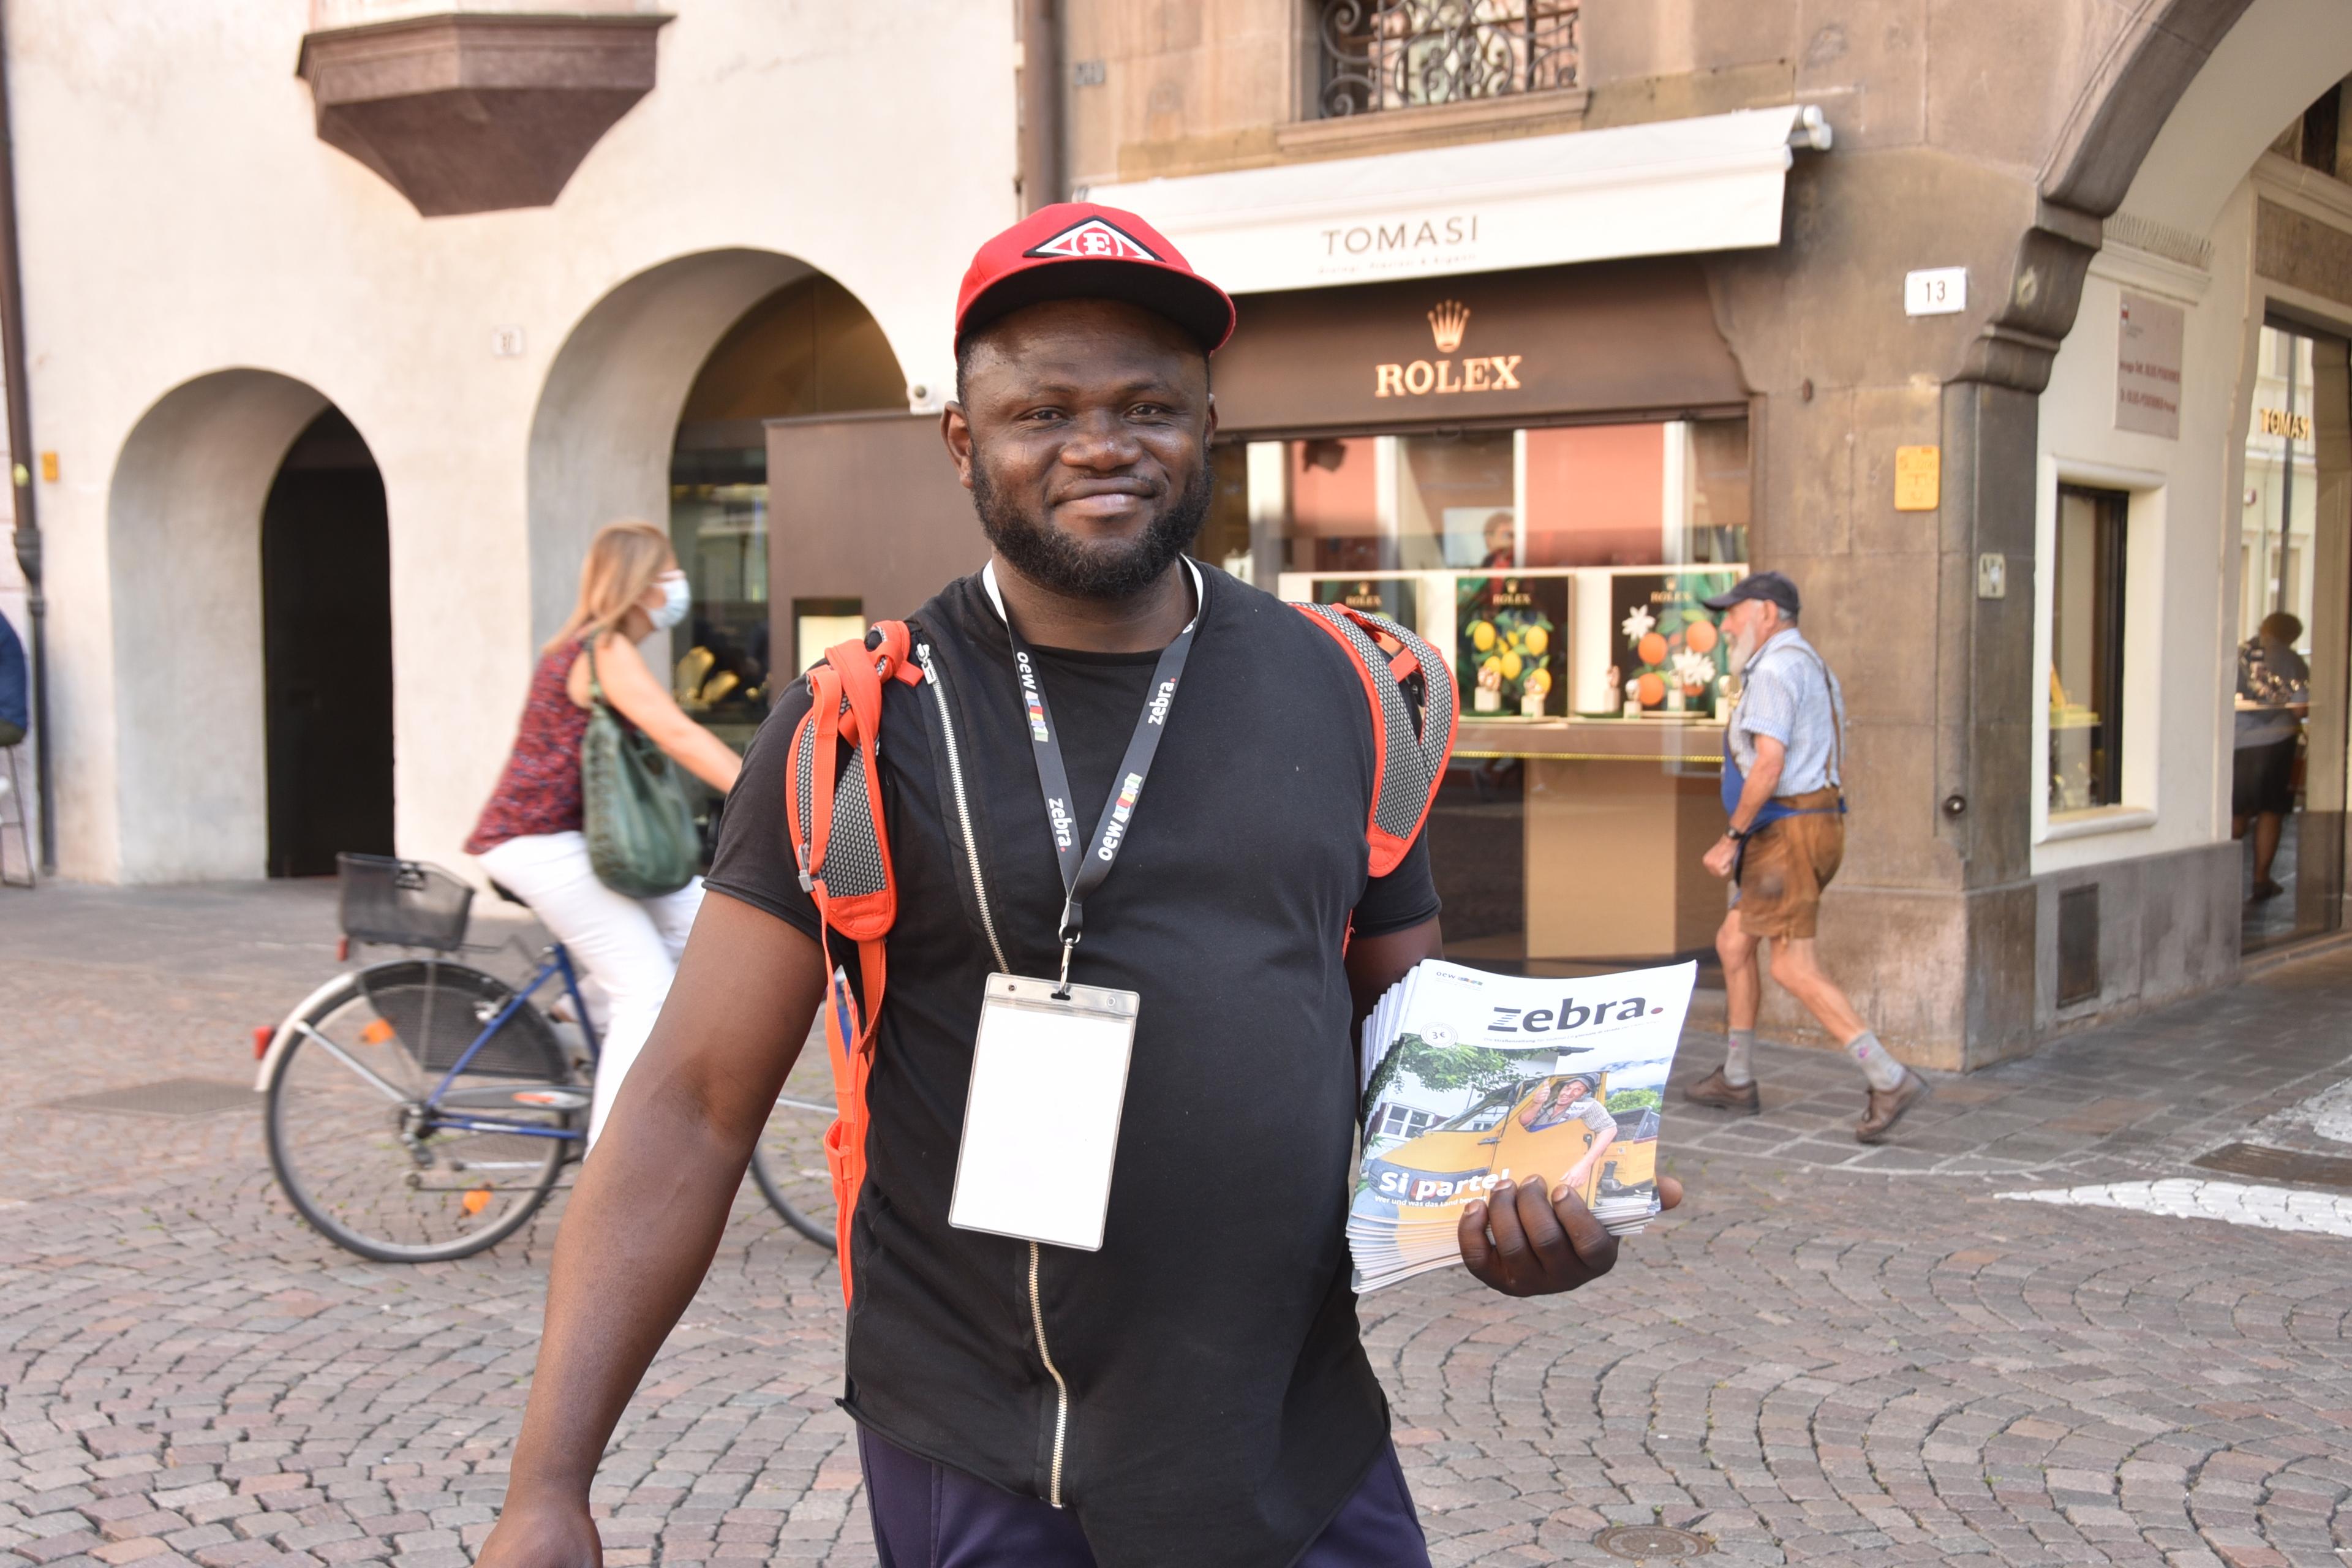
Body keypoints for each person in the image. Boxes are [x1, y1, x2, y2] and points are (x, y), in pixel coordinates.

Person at [473, 203, 1680, 1568]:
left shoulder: (1352, 687)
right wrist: (550, 1482)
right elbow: (690, 1106)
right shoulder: (864, 722)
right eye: (1043, 410)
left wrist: (1527, 1198)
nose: (1102, 444)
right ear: (962, 441)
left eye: (1148, 404)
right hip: (998, 1452)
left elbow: (1412, 1053)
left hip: (1298, 1422)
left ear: (1207, 424)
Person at [462, 519, 742, 1147]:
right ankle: (612, 1166)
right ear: (642, 584)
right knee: (643, 988)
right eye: (668, 571)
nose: (678, 584)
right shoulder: (603, 649)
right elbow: (679, 735)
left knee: (702, 924)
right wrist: (780, 796)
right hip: (536, 841)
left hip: (571, 840)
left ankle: (568, 1019)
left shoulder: (597, 648)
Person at [1683, 571, 1928, 1144]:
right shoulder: (1809, 662)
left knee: (1794, 965)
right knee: (1734, 943)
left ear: (1767, 612)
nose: (1724, 625)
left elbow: (1769, 764)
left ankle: (1887, 1076)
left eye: (1733, 612)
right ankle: (1738, 1077)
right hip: (1809, 825)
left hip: (1785, 833)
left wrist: (1732, 837)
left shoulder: (1772, 669)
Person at [2232, 610, 2309, 902]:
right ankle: (2261, 880)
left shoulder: (2238, 655)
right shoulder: (2292, 662)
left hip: (2237, 741)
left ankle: (2215, 874)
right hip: (2276, 742)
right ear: (2290, 637)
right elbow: (2301, 708)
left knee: (2235, 813)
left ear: (2263, 627)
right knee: (2270, 811)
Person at [1518, 1076, 1616, 1193]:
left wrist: (1585, 1165)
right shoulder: (1548, 1105)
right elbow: (1523, 1123)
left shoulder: (1588, 1106)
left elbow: (1609, 1129)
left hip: (1560, 1177)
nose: (1569, 1093)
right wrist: (1537, 1103)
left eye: (1578, 1090)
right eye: (1567, 1088)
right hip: (1529, 1166)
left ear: (1584, 1094)